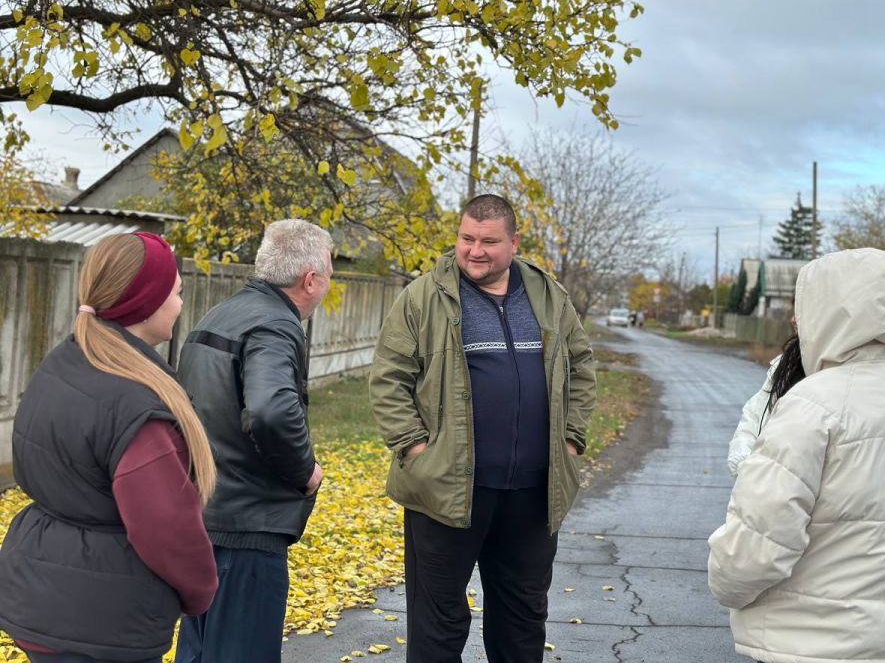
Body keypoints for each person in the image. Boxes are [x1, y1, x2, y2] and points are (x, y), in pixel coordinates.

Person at [369, 194, 597, 663]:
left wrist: (571, 442)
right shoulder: (423, 296)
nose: (475, 250)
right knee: (439, 625)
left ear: (513, 242)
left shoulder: (549, 297)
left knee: (522, 620)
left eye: (489, 241)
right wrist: (416, 450)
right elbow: (388, 378)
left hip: (532, 494)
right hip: (446, 489)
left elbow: (582, 368)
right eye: (466, 238)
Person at [708, 248, 885, 663]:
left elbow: (758, 544)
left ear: (830, 308)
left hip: (804, 641)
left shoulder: (810, 406)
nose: (797, 320)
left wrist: (725, 584)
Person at [0, 232, 218, 662]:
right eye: (175, 292)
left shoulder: (63, 362)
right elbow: (166, 529)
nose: (179, 302)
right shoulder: (135, 403)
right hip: (101, 619)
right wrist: (201, 590)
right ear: (146, 301)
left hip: (42, 594)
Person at [173, 220, 332, 663]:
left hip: (205, 513)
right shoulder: (276, 326)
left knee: (199, 652)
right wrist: (306, 473)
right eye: (330, 271)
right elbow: (270, 411)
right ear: (310, 279)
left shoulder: (220, 314)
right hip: (248, 528)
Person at [726, 325, 806, 479]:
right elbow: (752, 421)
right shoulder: (785, 366)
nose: (793, 319)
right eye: (794, 306)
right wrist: (746, 468)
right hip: (762, 487)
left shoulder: (829, 375)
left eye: (799, 305)